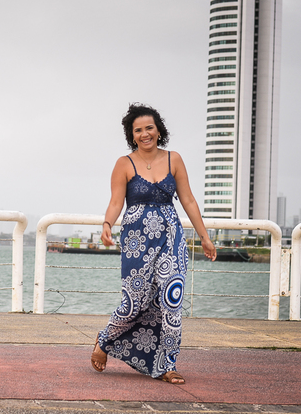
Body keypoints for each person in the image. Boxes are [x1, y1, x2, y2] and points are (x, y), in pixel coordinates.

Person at [93, 103, 217, 384]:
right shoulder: (124, 164)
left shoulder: (175, 159)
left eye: (149, 127)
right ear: (132, 135)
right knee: (134, 303)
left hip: (171, 238)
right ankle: (104, 340)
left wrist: (205, 237)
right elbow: (116, 201)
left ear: (159, 130)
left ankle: (167, 365)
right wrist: (107, 224)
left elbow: (188, 200)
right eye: (138, 130)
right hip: (137, 241)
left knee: (171, 301)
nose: (144, 133)